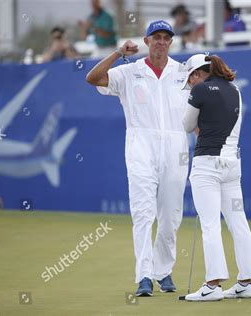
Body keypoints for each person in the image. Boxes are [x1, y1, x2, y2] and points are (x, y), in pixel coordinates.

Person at [85, 20, 189, 297]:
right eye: (156, 37)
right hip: (141, 146)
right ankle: (144, 276)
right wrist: (118, 53)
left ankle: (163, 271)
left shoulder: (183, 72)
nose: (162, 41)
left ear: (171, 42)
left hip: (176, 147)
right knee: (143, 212)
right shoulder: (129, 72)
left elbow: (201, 107)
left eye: (166, 37)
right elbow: (93, 79)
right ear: (146, 40)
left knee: (171, 215)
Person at [181, 54, 251, 302]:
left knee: (210, 224)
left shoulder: (200, 90)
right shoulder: (235, 90)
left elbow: (186, 125)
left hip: (207, 165)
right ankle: (246, 282)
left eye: (190, 79)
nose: (190, 84)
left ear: (196, 74)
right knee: (238, 221)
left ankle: (213, 285)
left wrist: (200, 122)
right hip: (231, 164)